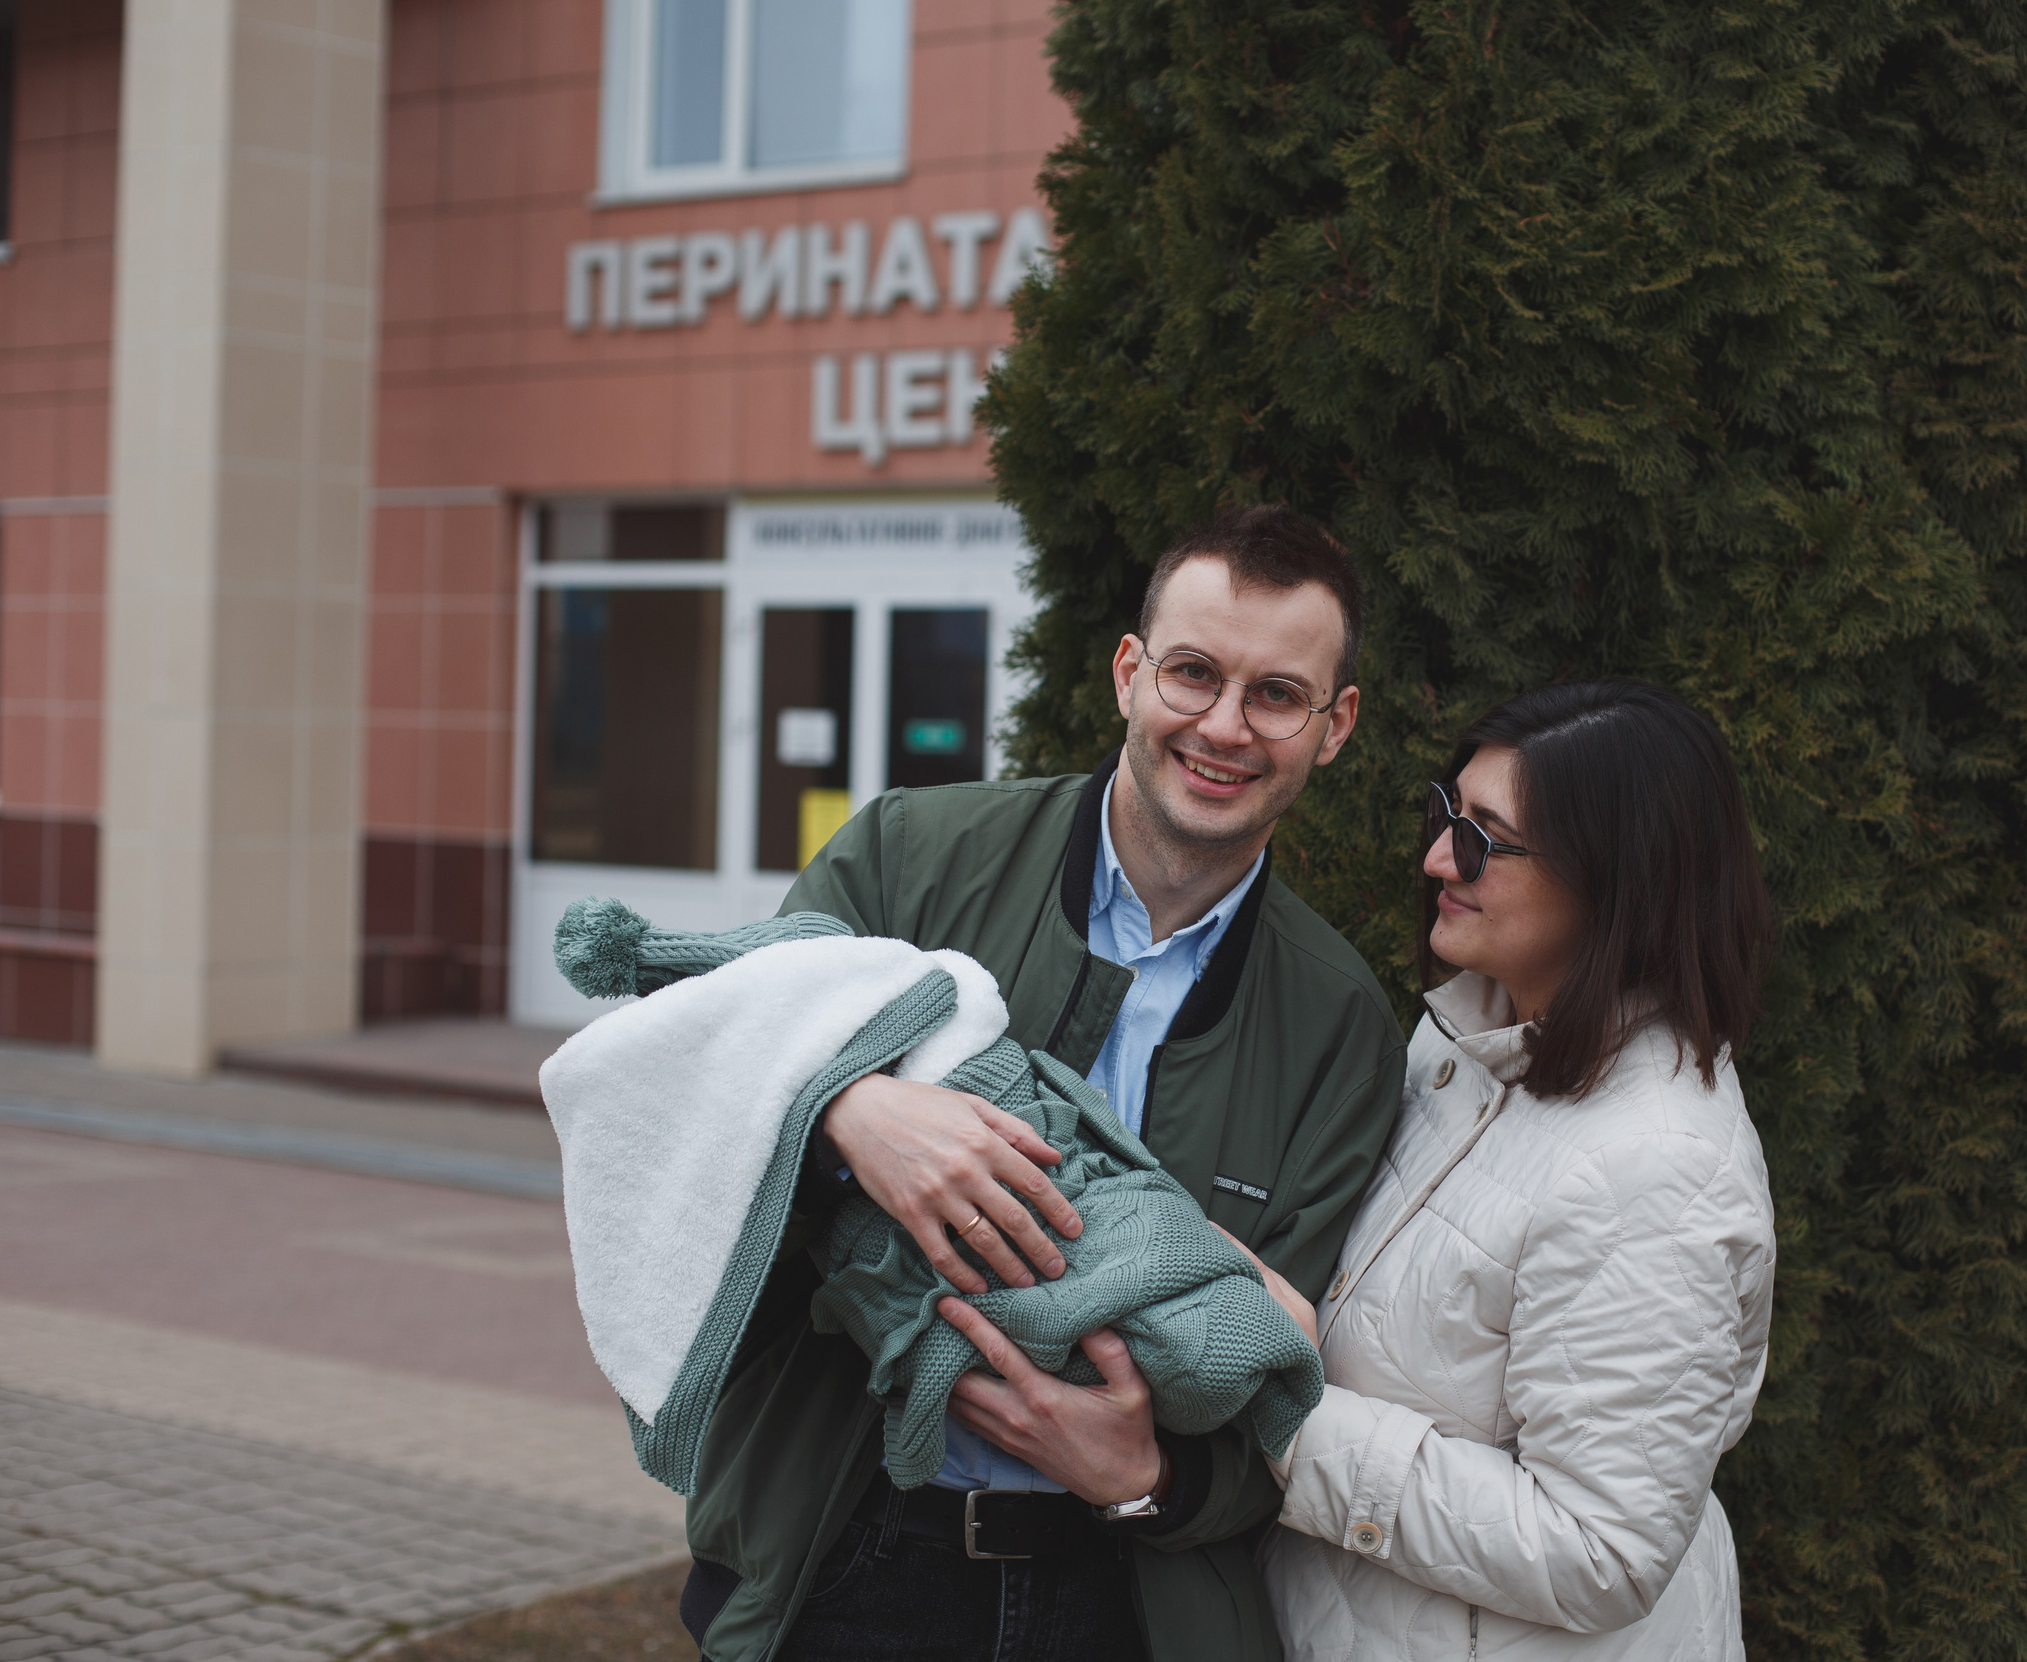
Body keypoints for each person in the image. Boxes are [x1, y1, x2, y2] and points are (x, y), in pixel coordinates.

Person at [675, 505, 1409, 1662]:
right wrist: (849, 1111)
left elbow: (1294, 1379)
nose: (1224, 725)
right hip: (849, 1549)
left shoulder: (1341, 1025)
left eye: (1277, 694)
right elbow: (702, 1081)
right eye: (1192, 673)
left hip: (1120, 1596)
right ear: (1128, 674)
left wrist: (1152, 1479)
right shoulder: (912, 859)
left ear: (1335, 726)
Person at [1159, 679, 1776, 1660]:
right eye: (1447, 812)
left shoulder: (1658, 1170)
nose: (1438, 856)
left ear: (1616, 879)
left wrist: (1291, 1416)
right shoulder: (1470, 1047)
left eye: (1486, 837)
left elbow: (1602, 1552)